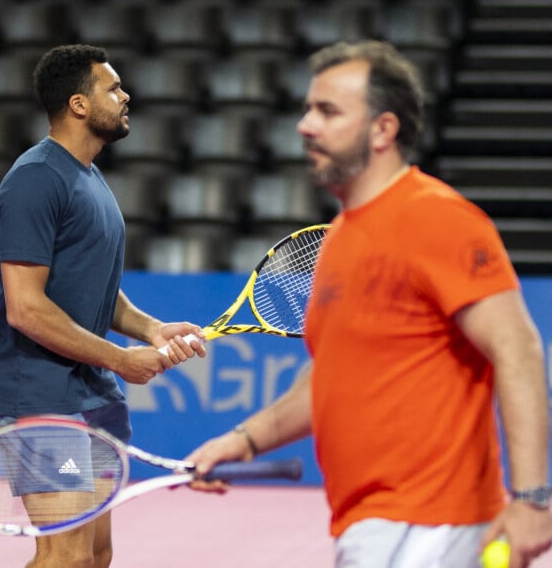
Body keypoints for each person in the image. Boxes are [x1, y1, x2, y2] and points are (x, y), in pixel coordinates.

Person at [186, 40, 552, 568]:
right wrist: (245, 439)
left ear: (383, 129)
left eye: (328, 111)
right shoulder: (339, 237)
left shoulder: (437, 219)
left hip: (429, 524)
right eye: (309, 109)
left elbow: (518, 347)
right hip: (374, 524)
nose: (305, 126)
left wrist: (532, 498)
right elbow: (332, 377)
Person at [0, 44, 206, 568]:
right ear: (79, 104)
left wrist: (149, 329)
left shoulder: (89, 176)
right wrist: (121, 359)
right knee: (64, 556)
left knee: (95, 555)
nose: (126, 96)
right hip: (37, 392)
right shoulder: (36, 180)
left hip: (89, 391)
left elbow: (97, 284)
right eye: (114, 88)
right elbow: (26, 309)